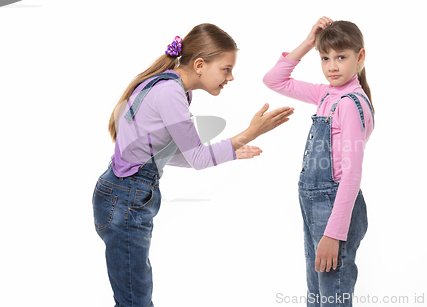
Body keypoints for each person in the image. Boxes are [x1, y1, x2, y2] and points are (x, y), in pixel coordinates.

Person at [93, 23, 295, 307]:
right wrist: (250, 132)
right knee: (134, 301)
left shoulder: (170, 86)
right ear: (200, 64)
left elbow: (176, 156)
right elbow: (198, 158)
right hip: (126, 198)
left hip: (123, 195)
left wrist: (233, 151)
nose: (231, 77)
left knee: (133, 297)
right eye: (226, 68)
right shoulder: (171, 93)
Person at [263, 17, 375, 306]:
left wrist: (333, 234)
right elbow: (274, 80)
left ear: (360, 57)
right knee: (318, 297)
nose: (332, 66)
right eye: (325, 58)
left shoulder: (349, 103)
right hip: (316, 207)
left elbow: (351, 174)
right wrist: (308, 42)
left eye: (341, 57)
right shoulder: (327, 94)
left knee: (332, 298)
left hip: (334, 210)